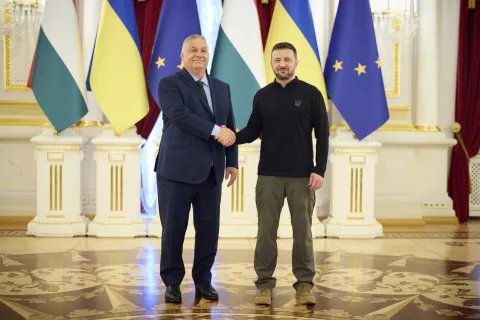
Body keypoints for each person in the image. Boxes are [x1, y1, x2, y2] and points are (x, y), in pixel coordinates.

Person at [216, 42, 329, 306]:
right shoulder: (262, 95)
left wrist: (319, 169)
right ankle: (264, 285)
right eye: (277, 60)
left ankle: (304, 285)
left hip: (303, 178)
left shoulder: (312, 94)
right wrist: (231, 137)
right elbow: (252, 131)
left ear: (296, 63)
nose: (282, 64)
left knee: (303, 234)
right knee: (266, 232)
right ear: (272, 64)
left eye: (287, 60)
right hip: (268, 177)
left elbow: (323, 135)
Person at [155, 34, 238, 303]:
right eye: (192, 50)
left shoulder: (222, 87)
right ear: (182, 56)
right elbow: (180, 117)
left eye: (203, 50)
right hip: (175, 171)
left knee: (209, 231)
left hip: (212, 171)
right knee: (173, 231)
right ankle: (172, 283)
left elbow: (230, 126)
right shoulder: (169, 85)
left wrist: (232, 161)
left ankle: (203, 280)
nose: (198, 54)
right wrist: (217, 131)